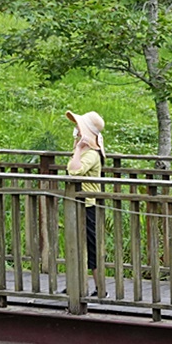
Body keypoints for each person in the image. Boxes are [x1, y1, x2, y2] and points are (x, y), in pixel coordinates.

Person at [67, 110, 104, 272]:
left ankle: (99, 288)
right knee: (75, 243)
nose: (76, 129)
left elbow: (74, 170)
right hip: (78, 202)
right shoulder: (85, 151)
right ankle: (76, 285)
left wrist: (78, 149)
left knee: (90, 245)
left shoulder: (91, 154)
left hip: (87, 204)